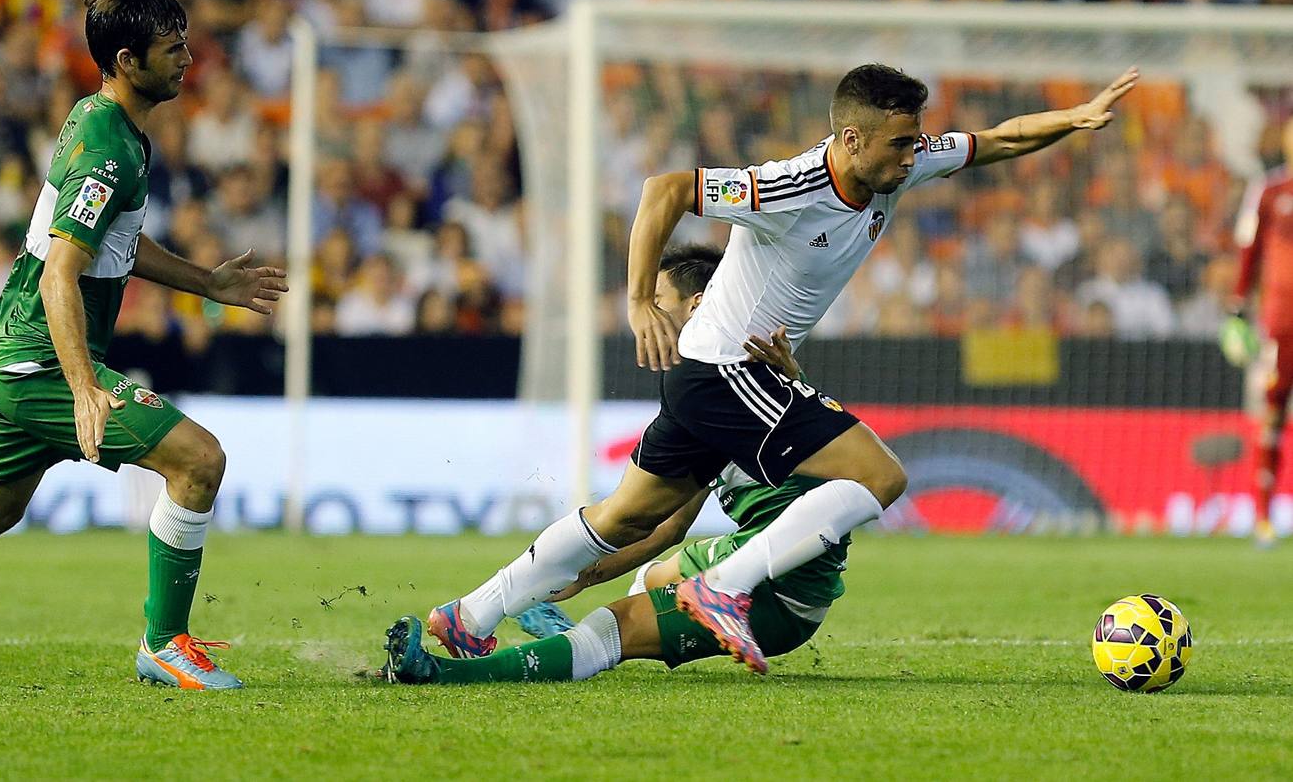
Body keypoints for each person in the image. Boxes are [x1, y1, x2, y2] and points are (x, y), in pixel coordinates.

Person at [424, 62, 1137, 674]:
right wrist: (640, 299)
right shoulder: (791, 186)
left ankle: (470, 613)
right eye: (897, 143)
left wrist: (1074, 119)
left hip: (712, 371)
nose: (911, 156)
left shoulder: (902, 160)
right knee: (879, 477)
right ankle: (724, 587)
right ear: (851, 138)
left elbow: (999, 140)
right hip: (731, 368)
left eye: (915, 140)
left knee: (626, 515)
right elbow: (664, 190)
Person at [0, 0, 288, 690]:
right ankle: (165, 643)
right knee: (199, 461)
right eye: (172, 49)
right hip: (39, 362)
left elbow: (114, 244)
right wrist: (84, 388)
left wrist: (208, 282)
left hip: (14, 354)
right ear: (126, 63)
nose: (188, 60)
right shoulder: (108, 151)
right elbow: (60, 273)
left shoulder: (106, 124)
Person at [382, 245, 849, 684]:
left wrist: (583, 575)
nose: (647, 312)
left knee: (613, 626)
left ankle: (449, 668)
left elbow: (639, 518)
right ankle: (561, 630)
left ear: (699, 304)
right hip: (784, 569)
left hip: (780, 590)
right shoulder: (743, 378)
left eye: (658, 298)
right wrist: (586, 578)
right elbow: (668, 527)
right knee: (658, 576)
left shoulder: (730, 388)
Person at [1228, 142, 1293, 546]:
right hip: (1280, 326)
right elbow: (1248, 250)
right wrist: (1238, 305)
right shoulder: (1270, 191)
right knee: (1271, 417)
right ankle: (1263, 518)